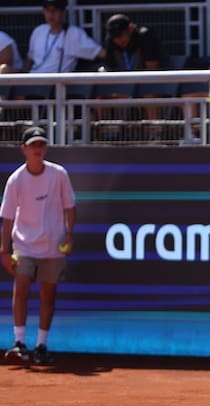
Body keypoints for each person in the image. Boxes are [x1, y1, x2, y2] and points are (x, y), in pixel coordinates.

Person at [1, 127, 76, 366]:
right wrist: (4, 250)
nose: (37, 149)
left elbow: (69, 206)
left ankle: (41, 345)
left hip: (53, 244)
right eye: (33, 145)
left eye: (41, 145)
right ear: (24, 149)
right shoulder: (16, 179)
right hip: (24, 244)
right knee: (21, 287)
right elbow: (8, 217)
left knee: (48, 295)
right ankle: (19, 342)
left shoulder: (59, 174)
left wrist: (69, 235)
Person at [23, 0, 105, 74]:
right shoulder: (38, 31)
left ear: (63, 12)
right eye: (47, 10)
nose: (51, 14)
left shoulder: (73, 33)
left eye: (55, 10)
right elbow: (30, 59)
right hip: (33, 79)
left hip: (55, 84)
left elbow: (99, 52)